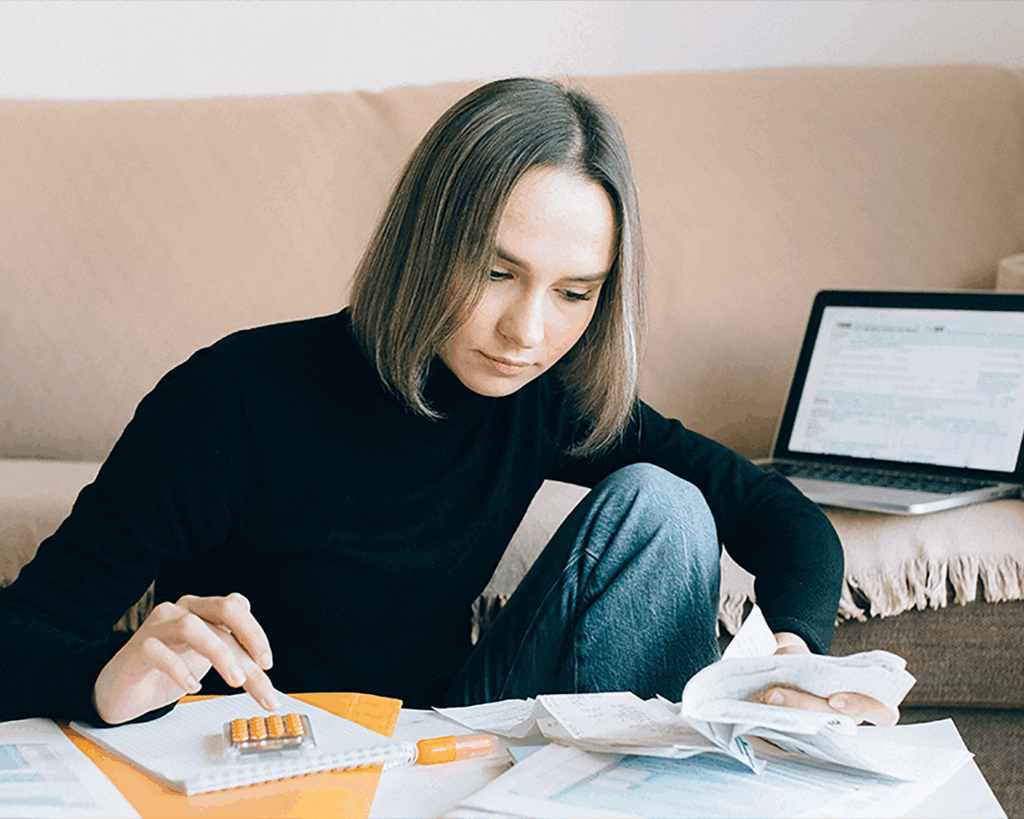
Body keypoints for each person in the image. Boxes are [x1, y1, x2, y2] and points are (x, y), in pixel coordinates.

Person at [0, 78, 894, 729]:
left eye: (574, 293)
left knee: (665, 505)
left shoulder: (543, 395)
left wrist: (793, 653)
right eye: (496, 272)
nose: (526, 332)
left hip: (446, 739)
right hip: (259, 752)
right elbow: (22, 630)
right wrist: (102, 680)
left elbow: (779, 515)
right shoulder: (227, 398)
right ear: (425, 241)